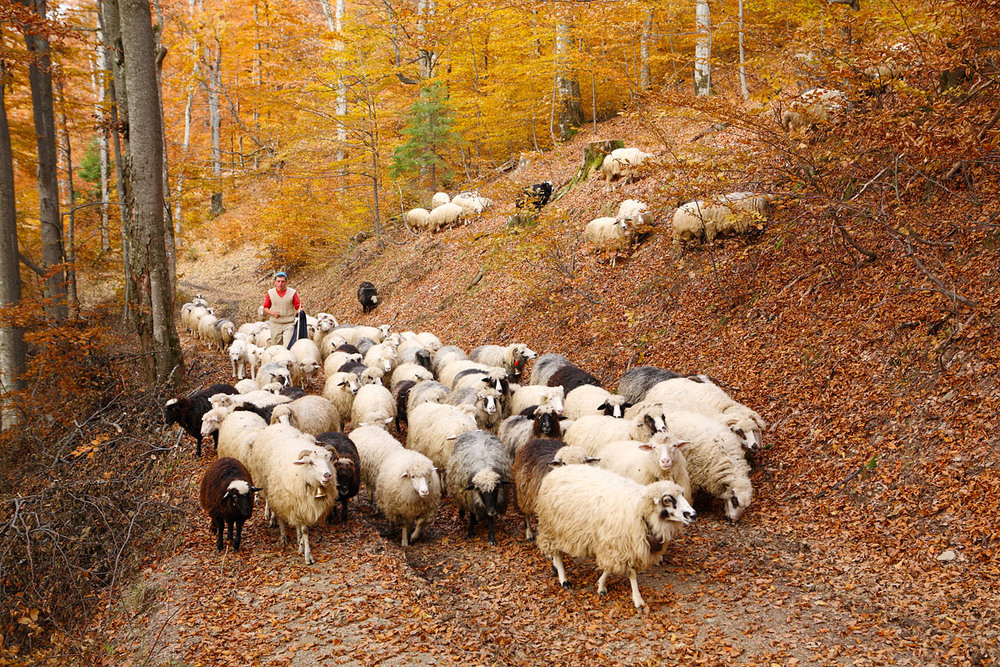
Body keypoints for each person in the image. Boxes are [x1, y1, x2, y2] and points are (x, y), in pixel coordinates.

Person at [262, 271, 301, 346]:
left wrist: (300, 311)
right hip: (275, 324)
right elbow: (265, 308)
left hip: (288, 324)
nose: (280, 283)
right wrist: (273, 313)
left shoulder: (292, 293)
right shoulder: (270, 293)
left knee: (288, 345)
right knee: (276, 346)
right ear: (275, 282)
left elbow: (298, 306)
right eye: (278, 281)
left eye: (282, 281)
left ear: (286, 282)